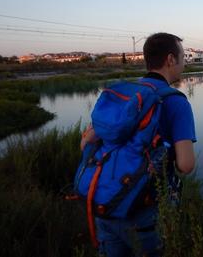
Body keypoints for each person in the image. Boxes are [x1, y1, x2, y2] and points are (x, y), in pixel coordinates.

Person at [80, 32, 196, 257]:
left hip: (106, 205)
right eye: (183, 57)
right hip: (145, 214)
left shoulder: (125, 93)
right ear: (171, 59)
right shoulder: (176, 102)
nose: (184, 63)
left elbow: (86, 143)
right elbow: (186, 165)